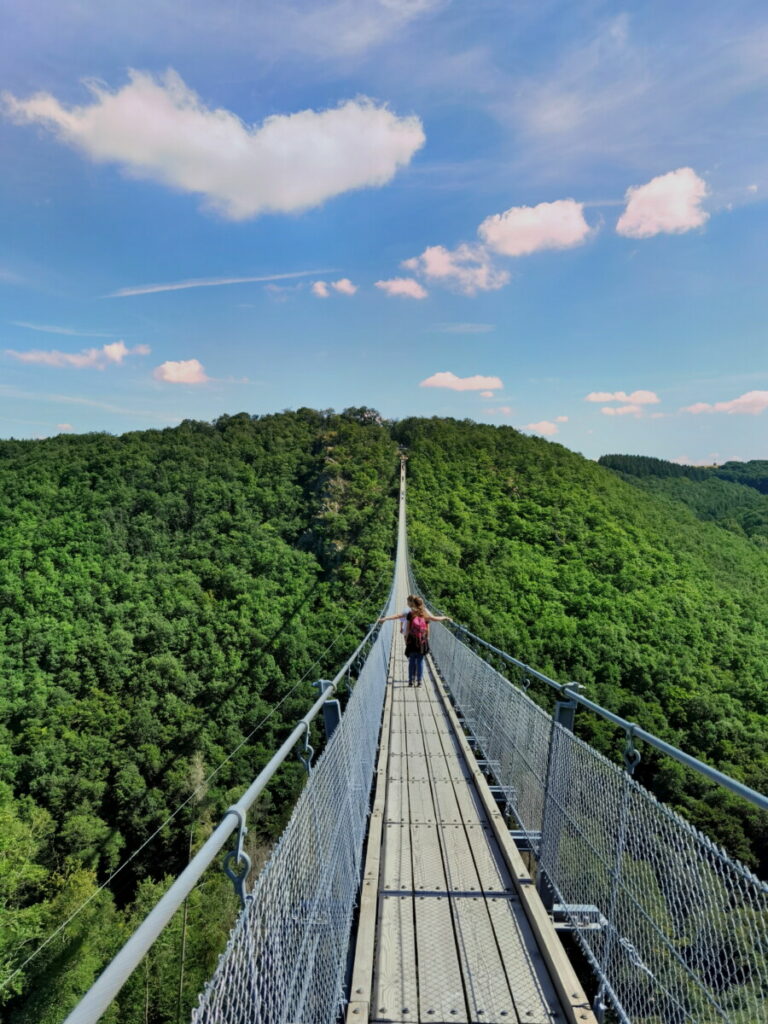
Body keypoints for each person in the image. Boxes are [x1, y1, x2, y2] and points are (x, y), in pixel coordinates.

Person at [379, 595, 452, 686]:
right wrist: (445, 617)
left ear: (414, 604)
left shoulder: (411, 613)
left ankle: (410, 681)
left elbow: (399, 618)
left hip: (412, 641)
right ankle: (419, 681)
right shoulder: (425, 614)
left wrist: (385, 619)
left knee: (412, 661)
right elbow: (435, 619)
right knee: (420, 661)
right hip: (422, 641)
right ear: (422, 604)